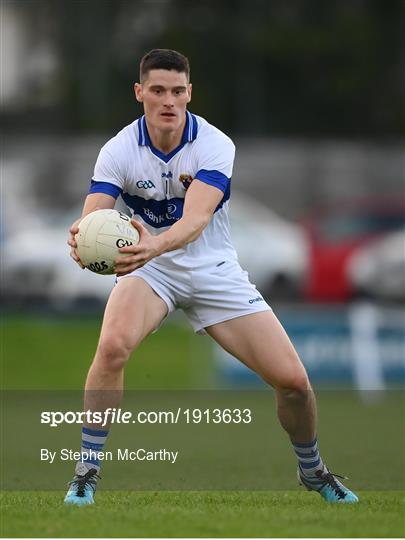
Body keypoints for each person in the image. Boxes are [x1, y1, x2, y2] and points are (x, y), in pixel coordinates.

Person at [64, 48, 358, 505]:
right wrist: (82, 240)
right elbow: (94, 214)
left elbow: (196, 219)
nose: (168, 101)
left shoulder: (214, 144)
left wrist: (150, 245)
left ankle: (313, 470)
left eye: (177, 91)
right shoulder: (119, 149)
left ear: (190, 93)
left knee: (294, 383)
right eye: (157, 90)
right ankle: (86, 471)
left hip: (212, 267)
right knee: (112, 345)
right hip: (152, 271)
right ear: (140, 92)